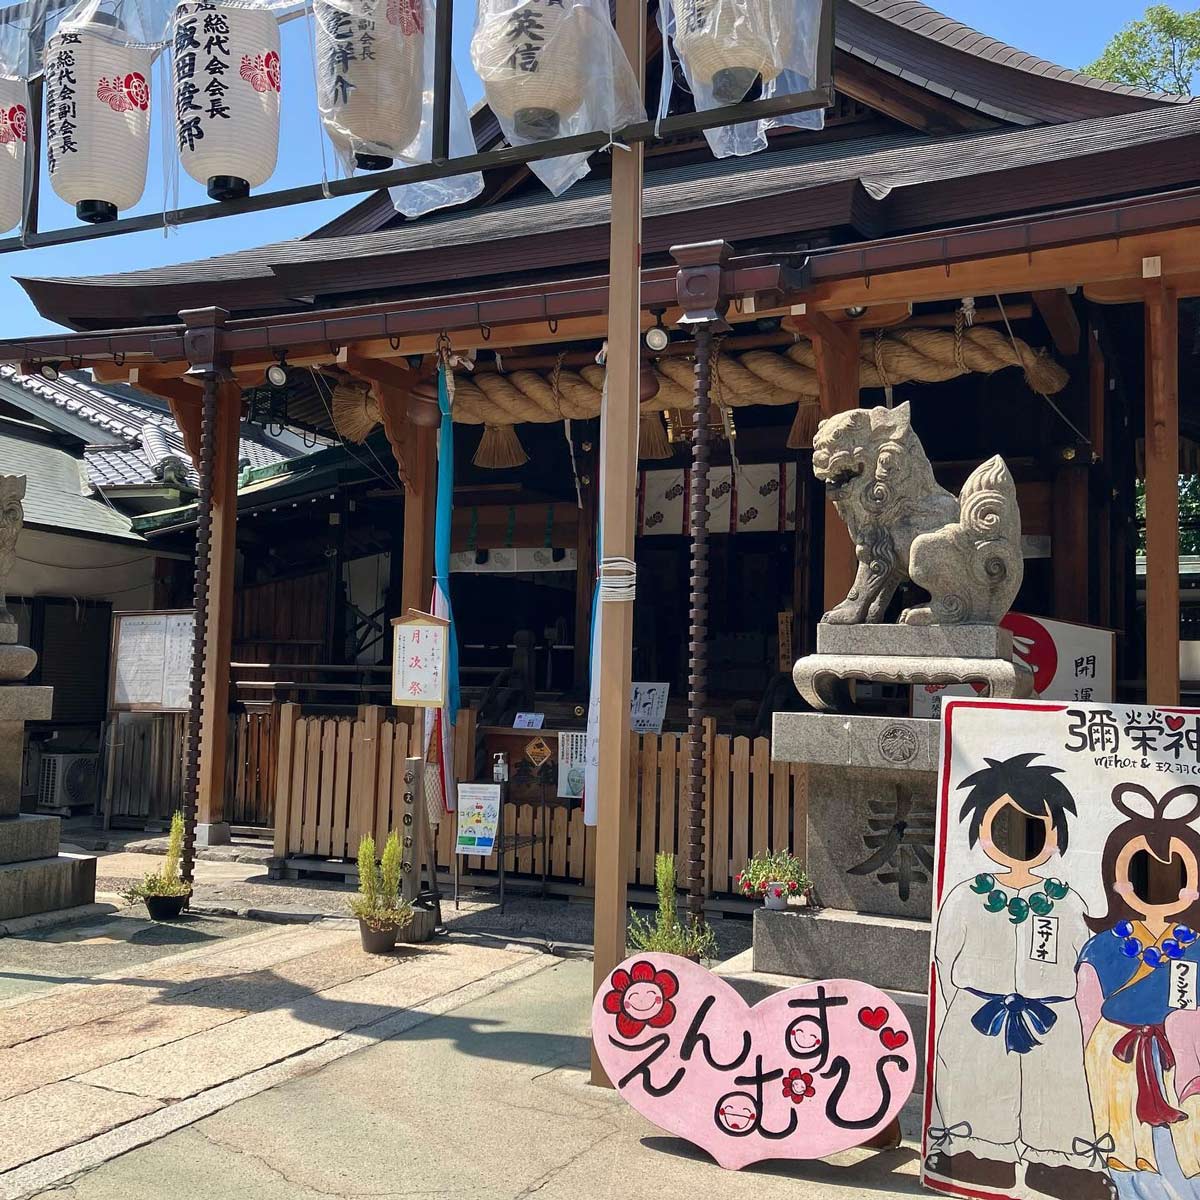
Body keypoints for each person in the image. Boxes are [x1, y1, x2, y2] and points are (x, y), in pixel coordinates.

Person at [927, 753, 1114, 1200]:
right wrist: (964, 1005)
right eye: (1005, 825)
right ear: (983, 831)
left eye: (1034, 827)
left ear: (1054, 835)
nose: (1019, 838)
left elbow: (1082, 960)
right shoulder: (965, 897)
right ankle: (981, 1154)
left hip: (1052, 1015)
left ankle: (1056, 1161)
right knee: (978, 1081)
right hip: (979, 1011)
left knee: (1057, 1088)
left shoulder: (1066, 901)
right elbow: (945, 959)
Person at [1077, 784, 1200, 1200]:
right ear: (1118, 880)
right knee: (1126, 1148)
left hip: (1178, 1057)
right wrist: (1093, 1057)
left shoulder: (1195, 947)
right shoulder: (1103, 947)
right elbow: (1088, 1013)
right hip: (1116, 1056)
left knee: (1183, 1149)